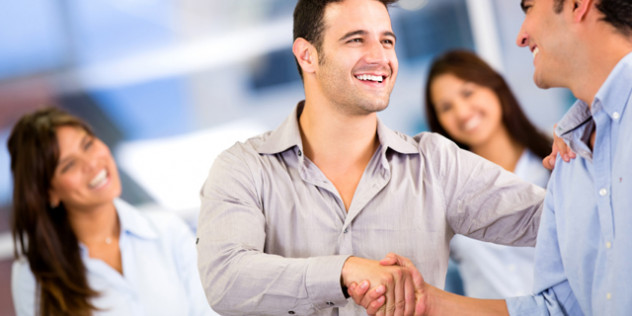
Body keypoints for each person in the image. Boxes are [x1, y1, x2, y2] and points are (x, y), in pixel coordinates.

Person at [195, 0, 545, 315]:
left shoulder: (435, 164)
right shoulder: (244, 168)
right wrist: (344, 271)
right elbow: (225, 278)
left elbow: (549, 219)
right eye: (356, 39)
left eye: (387, 40)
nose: (380, 57)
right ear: (307, 55)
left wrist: (590, 155)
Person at [355, 0, 632, 314]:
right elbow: (562, 307)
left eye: (527, 9)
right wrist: (430, 301)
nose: (521, 37)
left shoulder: (561, 160)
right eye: (445, 107)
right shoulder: (574, 159)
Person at [9, 107, 217, 316]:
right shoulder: (32, 273)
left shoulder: (168, 232)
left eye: (88, 145)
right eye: (69, 165)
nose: (91, 163)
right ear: (49, 193)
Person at [424, 50, 552, 299]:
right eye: (446, 107)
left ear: (495, 88)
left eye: (468, 93)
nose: (461, 112)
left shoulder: (557, 158)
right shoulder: (443, 190)